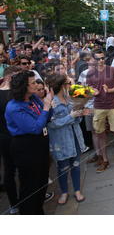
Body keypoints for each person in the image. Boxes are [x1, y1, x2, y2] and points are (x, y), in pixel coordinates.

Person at [5, 71, 54, 214]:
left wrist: (49, 104)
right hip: (26, 147)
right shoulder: (14, 107)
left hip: (41, 145)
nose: (36, 84)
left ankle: (38, 211)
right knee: (30, 186)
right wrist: (46, 107)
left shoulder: (33, 98)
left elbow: (47, 117)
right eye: (32, 83)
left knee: (41, 182)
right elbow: (35, 128)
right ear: (23, 86)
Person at [46, 74, 87, 205]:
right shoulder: (51, 103)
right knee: (62, 167)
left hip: (74, 136)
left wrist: (79, 114)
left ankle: (77, 190)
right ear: (61, 86)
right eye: (68, 83)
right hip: (60, 140)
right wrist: (71, 116)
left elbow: (76, 117)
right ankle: (64, 192)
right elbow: (52, 124)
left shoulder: (70, 98)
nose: (70, 86)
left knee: (76, 165)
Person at [86, 49, 114, 173]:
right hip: (98, 107)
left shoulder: (112, 70)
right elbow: (88, 90)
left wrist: (109, 90)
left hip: (112, 106)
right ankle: (105, 160)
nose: (101, 61)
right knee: (100, 134)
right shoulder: (90, 73)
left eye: (103, 58)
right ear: (94, 59)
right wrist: (93, 92)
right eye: (98, 58)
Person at [0, 66, 21, 214]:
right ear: (8, 78)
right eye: (16, 78)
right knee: (21, 169)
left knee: (9, 170)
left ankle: (14, 203)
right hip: (15, 137)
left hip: (4, 138)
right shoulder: (15, 94)